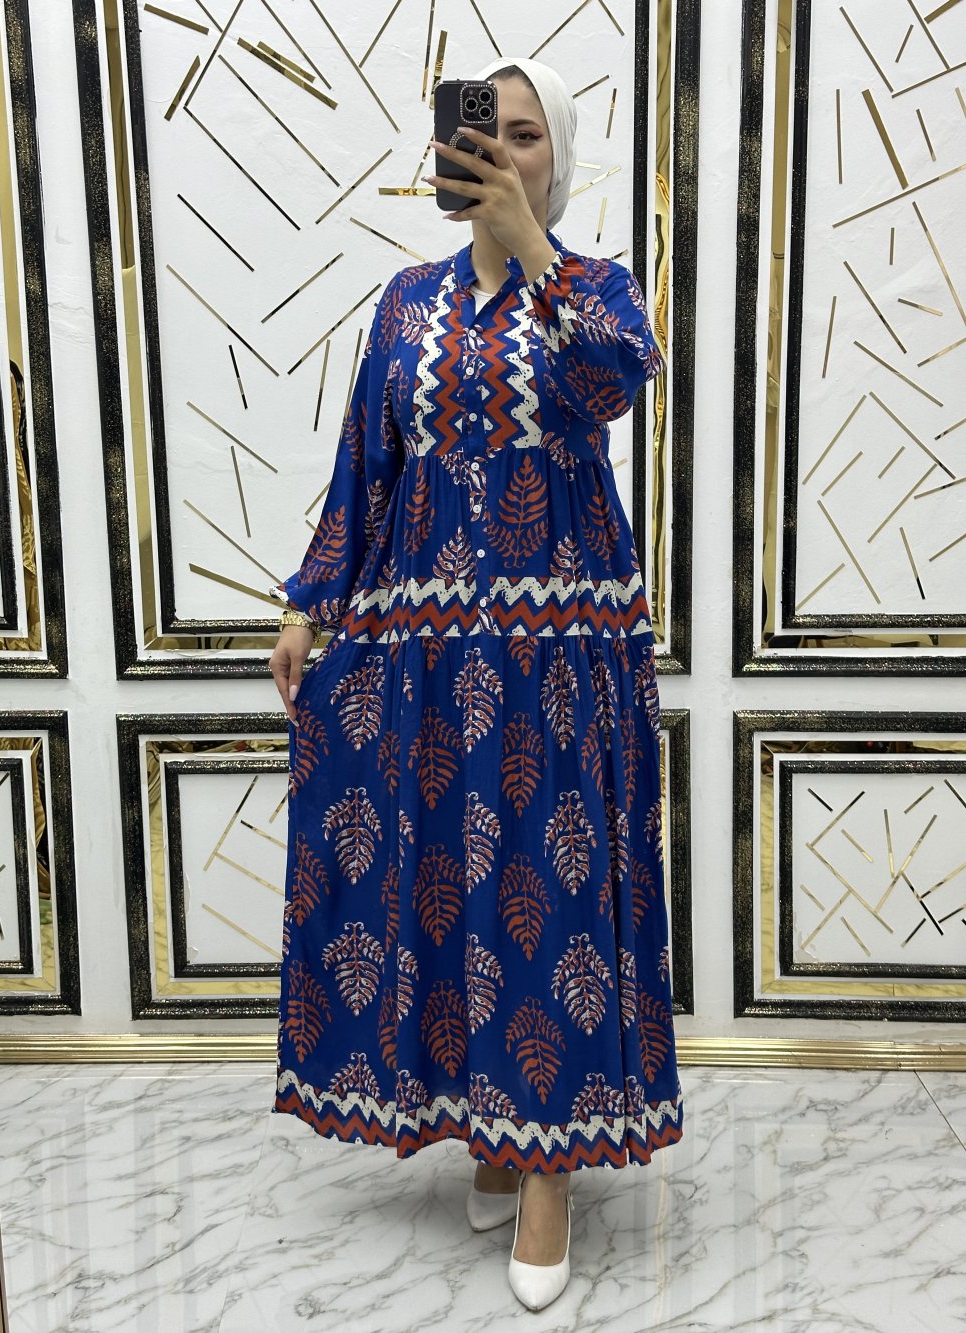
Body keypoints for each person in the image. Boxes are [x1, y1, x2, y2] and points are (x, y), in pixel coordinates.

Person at [268, 55, 684, 1312]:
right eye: (480, 131)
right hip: (426, 662)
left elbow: (614, 383)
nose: (500, 151)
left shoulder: (597, 290)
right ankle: (492, 1136)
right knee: (452, 889)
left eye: (525, 134)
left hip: (557, 658)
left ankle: (548, 1172)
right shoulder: (406, 303)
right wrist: (306, 602)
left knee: (545, 890)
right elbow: (367, 463)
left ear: (559, 154)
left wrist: (533, 249)